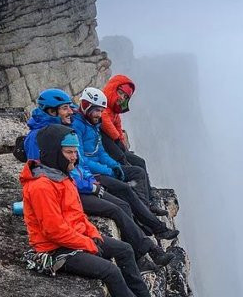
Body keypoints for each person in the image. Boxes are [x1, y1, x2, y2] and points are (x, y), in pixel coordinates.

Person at [19, 124, 173, 297]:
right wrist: (88, 244)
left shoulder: (62, 178)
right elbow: (54, 231)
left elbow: (78, 215)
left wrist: (92, 233)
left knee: (125, 249)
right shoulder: (42, 187)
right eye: (69, 152)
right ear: (54, 152)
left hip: (75, 238)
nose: (74, 157)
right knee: (109, 270)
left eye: (75, 152)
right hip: (55, 250)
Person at [24, 89, 177, 266]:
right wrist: (90, 185)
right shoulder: (39, 138)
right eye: (65, 108)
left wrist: (95, 177)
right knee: (117, 208)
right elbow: (53, 174)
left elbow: (77, 165)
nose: (71, 111)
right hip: (67, 195)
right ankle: (146, 253)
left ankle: (147, 250)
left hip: (75, 188)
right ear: (52, 111)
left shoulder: (61, 131)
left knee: (122, 204)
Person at [70, 88, 178, 238]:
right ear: (87, 106)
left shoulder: (92, 125)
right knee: (125, 191)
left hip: (101, 169)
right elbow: (81, 159)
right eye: (96, 111)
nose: (99, 115)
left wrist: (114, 165)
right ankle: (157, 227)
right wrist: (109, 170)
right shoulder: (77, 126)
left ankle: (145, 211)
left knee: (137, 172)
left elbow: (100, 151)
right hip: (92, 173)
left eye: (101, 111)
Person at [100, 74, 149, 171]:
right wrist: (118, 140)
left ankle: (147, 186)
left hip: (113, 146)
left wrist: (122, 143)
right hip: (106, 147)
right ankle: (146, 185)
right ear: (112, 88)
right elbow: (104, 120)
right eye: (120, 92)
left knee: (140, 162)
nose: (122, 98)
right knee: (137, 165)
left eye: (125, 96)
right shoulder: (101, 103)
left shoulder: (114, 112)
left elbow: (118, 127)